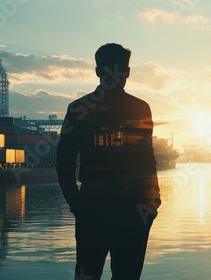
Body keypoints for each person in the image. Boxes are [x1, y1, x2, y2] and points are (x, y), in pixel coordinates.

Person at [56, 43, 161, 280]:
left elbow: (64, 164)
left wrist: (77, 205)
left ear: (96, 71)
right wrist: (151, 205)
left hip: (92, 208)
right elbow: (147, 161)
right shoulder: (140, 108)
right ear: (127, 72)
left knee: (87, 275)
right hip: (133, 210)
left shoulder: (78, 109)